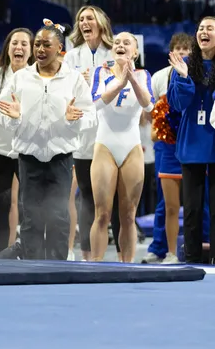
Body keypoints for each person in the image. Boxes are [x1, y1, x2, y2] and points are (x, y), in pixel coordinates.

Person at [0, 19, 97, 260]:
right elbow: (2, 113)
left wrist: (75, 120)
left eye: (46, 45)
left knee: (59, 216)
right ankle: (31, 269)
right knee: (30, 216)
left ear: (60, 49)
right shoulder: (20, 78)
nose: (40, 49)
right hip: (28, 157)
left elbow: (91, 116)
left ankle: (58, 268)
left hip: (60, 158)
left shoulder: (73, 79)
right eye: (37, 44)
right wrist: (15, 118)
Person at [88, 32, 154, 263]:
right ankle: (95, 265)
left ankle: (128, 266)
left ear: (135, 52)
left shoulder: (144, 75)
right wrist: (120, 82)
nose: (120, 45)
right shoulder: (101, 73)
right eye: (117, 42)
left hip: (131, 146)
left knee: (128, 215)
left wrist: (132, 79)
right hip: (105, 145)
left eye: (127, 43)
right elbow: (95, 103)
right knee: (102, 214)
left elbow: (148, 104)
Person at [63, 5, 114, 261]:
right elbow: (63, 95)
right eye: (81, 19)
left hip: (110, 134)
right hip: (83, 137)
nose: (84, 22)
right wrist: (77, 82)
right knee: (86, 194)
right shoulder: (71, 57)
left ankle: (104, 253)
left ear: (100, 23)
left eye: (89, 18)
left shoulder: (114, 53)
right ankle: (86, 255)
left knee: (106, 198)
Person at [0, 28, 34, 255]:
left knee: (30, 205)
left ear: (31, 51)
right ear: (7, 47)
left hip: (28, 148)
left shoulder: (37, 77)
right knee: (0, 202)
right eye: (15, 43)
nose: (19, 48)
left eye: (24, 44)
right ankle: (1, 254)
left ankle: (30, 252)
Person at [169, 16, 215, 263]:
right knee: (193, 209)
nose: (203, 32)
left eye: (210, 28)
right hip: (192, 144)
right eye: (201, 28)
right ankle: (193, 259)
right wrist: (185, 77)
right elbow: (178, 104)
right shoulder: (184, 64)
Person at [144, 33, 192, 264]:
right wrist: (157, 131)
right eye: (178, 49)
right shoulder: (159, 77)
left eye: (186, 49)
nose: (182, 53)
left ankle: (200, 247)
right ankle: (160, 248)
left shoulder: (200, 74)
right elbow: (152, 111)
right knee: (165, 201)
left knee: (199, 201)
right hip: (167, 145)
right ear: (171, 52)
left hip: (193, 143)